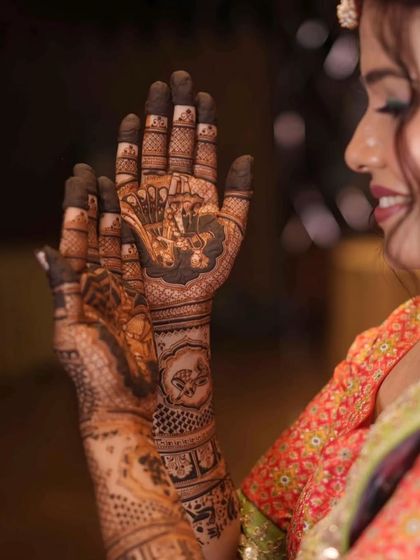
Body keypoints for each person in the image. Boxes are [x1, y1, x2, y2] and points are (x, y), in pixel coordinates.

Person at [35, 0, 420, 558]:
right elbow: (244, 547)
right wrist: (177, 337)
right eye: (369, 102)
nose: (357, 150)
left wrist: (115, 428)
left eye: (399, 102)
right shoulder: (397, 343)